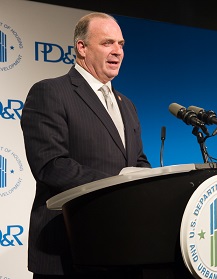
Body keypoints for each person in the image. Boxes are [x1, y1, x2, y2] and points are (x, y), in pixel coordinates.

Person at [20, 12, 151, 279]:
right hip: (71, 246)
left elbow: (137, 161)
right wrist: (119, 185)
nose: (117, 51)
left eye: (121, 44)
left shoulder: (127, 104)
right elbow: (51, 166)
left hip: (123, 248)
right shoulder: (51, 92)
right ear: (82, 47)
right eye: (107, 43)